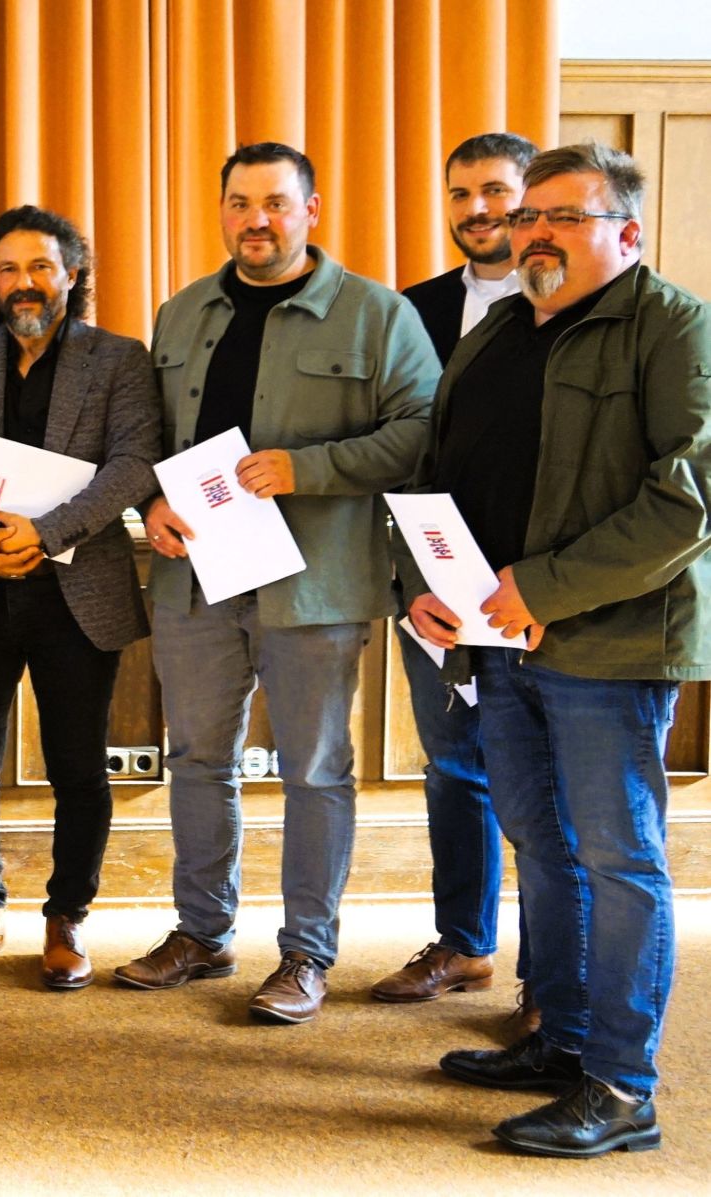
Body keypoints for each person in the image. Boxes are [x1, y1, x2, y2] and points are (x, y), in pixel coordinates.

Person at [416, 141, 708, 1158]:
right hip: (495, 644)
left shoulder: (673, 328)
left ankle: (622, 1089)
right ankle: (563, 1039)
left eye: (563, 217)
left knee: (619, 860)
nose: (534, 231)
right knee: (543, 848)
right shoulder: (500, 327)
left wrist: (541, 589)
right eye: (529, 214)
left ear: (625, 232)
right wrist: (427, 586)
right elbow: (438, 467)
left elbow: (687, 501)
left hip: (610, 646)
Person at [116, 143, 438, 1025]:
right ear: (221, 210)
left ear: (311, 209)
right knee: (196, 760)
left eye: (276, 203)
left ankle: (306, 954)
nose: (257, 219)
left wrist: (310, 468)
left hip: (316, 586)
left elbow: (422, 431)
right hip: (195, 582)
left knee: (316, 770)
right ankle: (202, 932)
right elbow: (143, 435)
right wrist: (148, 502)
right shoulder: (182, 313)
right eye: (239, 202)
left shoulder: (377, 314)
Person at [0, 206, 158, 990]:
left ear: (72, 274)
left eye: (42, 267)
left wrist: (46, 532)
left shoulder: (120, 358)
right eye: (9, 268)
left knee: (78, 765)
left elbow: (133, 464)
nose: (26, 283)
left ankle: (67, 915)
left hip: (75, 590)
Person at [379, 132, 540, 1033]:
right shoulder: (414, 310)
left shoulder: (573, 303)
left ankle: (552, 978)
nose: (476, 209)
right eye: (460, 193)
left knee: (542, 787)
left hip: (535, 589)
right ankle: (464, 942)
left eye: (496, 191)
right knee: (454, 768)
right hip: (430, 587)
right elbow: (400, 458)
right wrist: (408, 585)